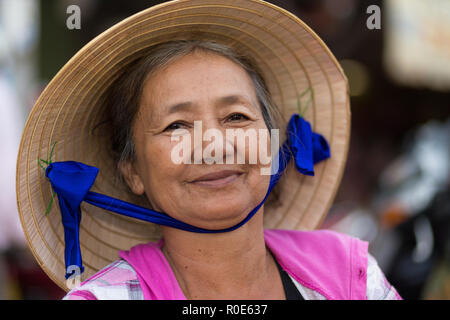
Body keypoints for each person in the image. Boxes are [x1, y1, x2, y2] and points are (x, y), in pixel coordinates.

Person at [16, 0, 401, 300]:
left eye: (235, 117)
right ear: (132, 169)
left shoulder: (349, 274)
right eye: (177, 125)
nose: (214, 145)